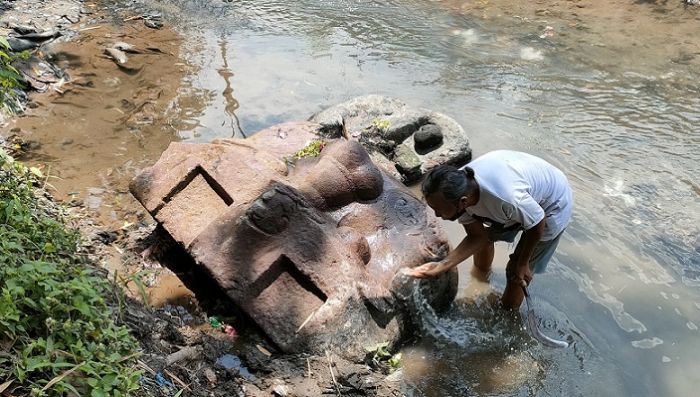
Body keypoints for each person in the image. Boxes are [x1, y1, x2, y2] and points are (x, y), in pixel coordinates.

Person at [408, 150, 573, 309]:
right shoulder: (452, 187)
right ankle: (480, 277)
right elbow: (477, 237)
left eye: (439, 209)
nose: (436, 215)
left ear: (463, 202)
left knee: (515, 272)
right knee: (485, 240)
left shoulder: (506, 198)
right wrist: (442, 265)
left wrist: (523, 263)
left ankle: (508, 312)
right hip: (521, 194)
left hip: (552, 205)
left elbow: (538, 222)